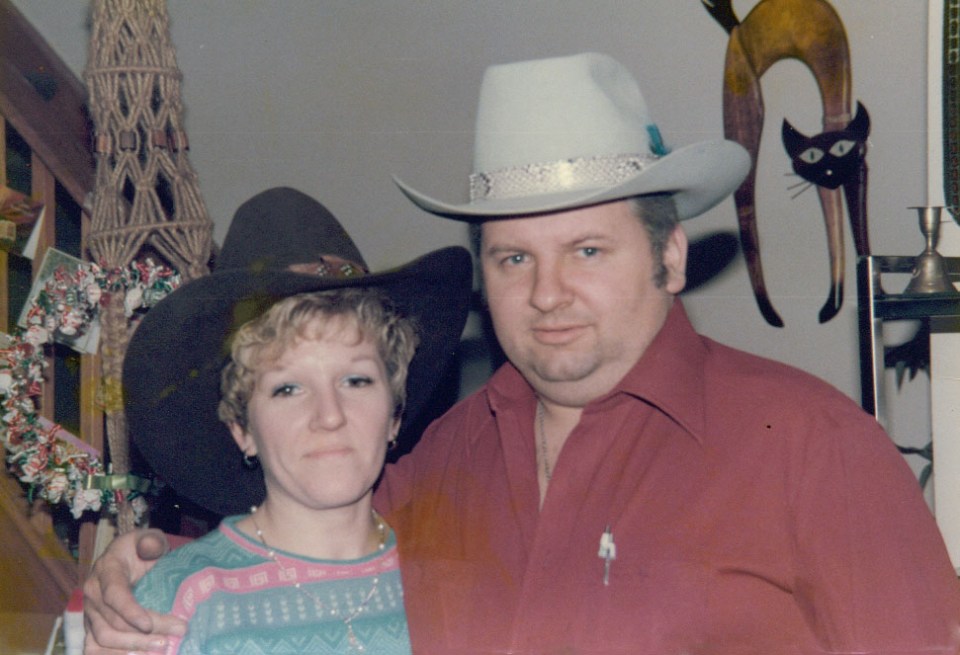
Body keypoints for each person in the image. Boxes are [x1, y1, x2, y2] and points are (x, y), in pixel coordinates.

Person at [85, 53, 960, 654]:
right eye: (513, 258)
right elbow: (297, 517)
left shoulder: (815, 447)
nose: (546, 293)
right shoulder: (435, 467)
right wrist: (143, 562)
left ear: (670, 256)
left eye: (587, 250)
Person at [106, 187, 471, 654]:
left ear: (395, 414)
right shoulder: (177, 603)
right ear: (241, 429)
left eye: (356, 381)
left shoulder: (453, 582)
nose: (329, 415)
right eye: (287, 388)